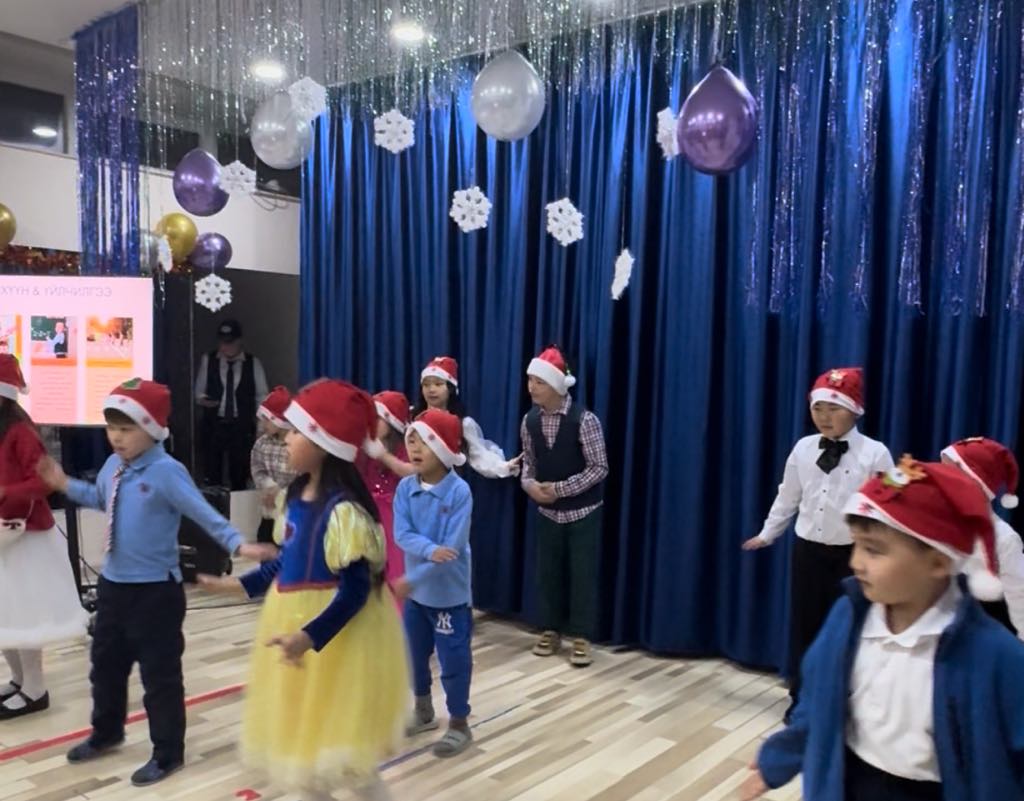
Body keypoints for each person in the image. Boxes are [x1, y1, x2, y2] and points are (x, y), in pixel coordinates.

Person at [741, 458, 1024, 801]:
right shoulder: (848, 616)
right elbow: (817, 701)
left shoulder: (997, 656)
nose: (855, 562)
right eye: (856, 545)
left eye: (873, 551)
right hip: (848, 783)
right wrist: (778, 759)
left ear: (938, 562)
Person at [36, 378, 273, 787]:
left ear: (151, 428)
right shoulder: (113, 466)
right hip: (113, 586)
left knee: (159, 676)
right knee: (105, 667)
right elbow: (101, 498)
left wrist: (239, 543)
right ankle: (107, 732)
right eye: (111, 428)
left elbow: (201, 511)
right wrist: (64, 485)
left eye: (126, 429)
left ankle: (167, 752)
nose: (116, 437)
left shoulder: (166, 472)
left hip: (155, 593)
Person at [198, 380, 408, 801]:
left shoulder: (344, 512)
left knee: (348, 761)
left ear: (323, 443)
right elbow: (285, 564)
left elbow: (354, 593)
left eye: (296, 431)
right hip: (291, 625)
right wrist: (237, 585)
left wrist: (309, 637)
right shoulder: (294, 498)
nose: (286, 439)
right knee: (304, 760)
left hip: (338, 642)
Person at [742, 367, 893, 718]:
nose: (824, 417)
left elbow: (886, 507)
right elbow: (788, 495)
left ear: (854, 410)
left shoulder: (875, 453)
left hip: (853, 557)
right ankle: (803, 700)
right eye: (818, 408)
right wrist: (768, 532)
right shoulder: (803, 448)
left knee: (849, 629)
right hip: (808, 552)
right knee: (806, 627)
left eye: (834, 408)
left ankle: (845, 706)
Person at [0, 355, 88, 719]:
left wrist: (6, 493)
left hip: (26, 537)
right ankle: (19, 680)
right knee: (6, 613)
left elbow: (43, 481)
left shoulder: (21, 433)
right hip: (5, 535)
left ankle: (35, 689)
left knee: (25, 614)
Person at [519, 346, 608, 667]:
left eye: (539, 382)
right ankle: (550, 629)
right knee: (549, 573)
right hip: (547, 513)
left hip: (583, 512)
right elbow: (528, 464)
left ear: (557, 385)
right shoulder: (529, 421)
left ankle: (581, 635)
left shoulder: (585, 420)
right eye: (530, 380)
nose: (531, 387)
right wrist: (530, 486)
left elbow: (599, 467)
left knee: (582, 574)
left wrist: (559, 490)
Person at [394, 409, 474, 758]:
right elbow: (402, 534)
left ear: (442, 448)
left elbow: (451, 550)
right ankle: (424, 710)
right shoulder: (404, 488)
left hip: (449, 597)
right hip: (417, 595)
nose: (414, 448)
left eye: (423, 442)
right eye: (410, 441)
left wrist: (412, 576)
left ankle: (459, 723)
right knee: (414, 654)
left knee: (454, 661)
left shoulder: (460, 491)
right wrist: (428, 552)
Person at [941, 436, 1024, 638]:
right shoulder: (936, 520)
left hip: (975, 632)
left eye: (951, 474)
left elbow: (1019, 593)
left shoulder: (1004, 538)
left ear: (978, 484)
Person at [413, 356, 519, 478]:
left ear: (450, 389)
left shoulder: (462, 423)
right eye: (426, 385)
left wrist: (504, 467)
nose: (431, 390)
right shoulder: (413, 418)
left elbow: (478, 456)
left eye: (438, 384)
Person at [195, 319, 268, 490]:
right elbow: (198, 392)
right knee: (212, 472)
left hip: (241, 425)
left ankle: (237, 504)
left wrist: (261, 427)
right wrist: (204, 400)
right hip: (214, 424)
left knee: (240, 473)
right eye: (222, 343)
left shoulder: (252, 363)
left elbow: (262, 397)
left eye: (230, 343)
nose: (226, 347)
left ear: (239, 341)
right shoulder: (209, 360)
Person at [358, 390, 415, 590]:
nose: (371, 423)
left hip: (394, 516)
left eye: (377, 419)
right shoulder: (365, 448)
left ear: (392, 424)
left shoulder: (406, 449)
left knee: (395, 565)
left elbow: (411, 472)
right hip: (366, 513)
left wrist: (383, 456)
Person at [250, 385, 297, 546]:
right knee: (266, 544)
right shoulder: (262, 444)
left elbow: (305, 476)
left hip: (293, 514)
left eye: (267, 419)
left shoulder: (298, 445)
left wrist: (282, 492)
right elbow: (257, 469)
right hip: (269, 512)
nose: (263, 424)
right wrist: (269, 487)